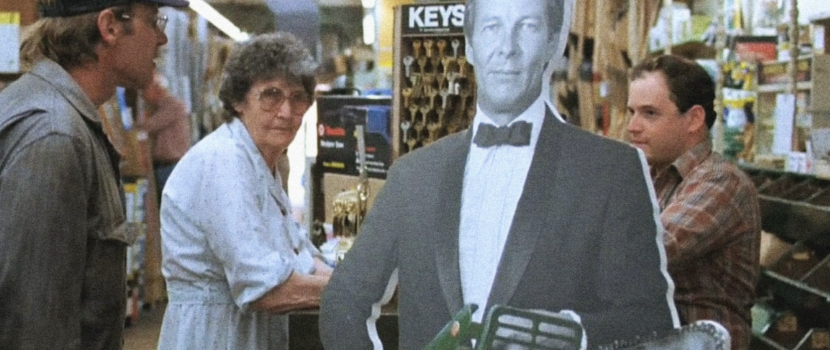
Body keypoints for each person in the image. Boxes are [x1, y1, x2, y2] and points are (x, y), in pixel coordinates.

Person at [319, 0, 679, 349]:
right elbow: (344, 301)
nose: (507, 48)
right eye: (492, 27)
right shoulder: (414, 176)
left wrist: (568, 333)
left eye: (528, 27)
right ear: (470, 44)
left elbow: (651, 318)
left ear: (552, 42)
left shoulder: (610, 171)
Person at [0, 0, 188, 348]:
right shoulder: (53, 135)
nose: (162, 39)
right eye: (154, 21)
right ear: (109, 27)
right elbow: (29, 330)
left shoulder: (47, 113)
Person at [157, 32, 332, 349]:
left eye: (298, 97)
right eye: (271, 95)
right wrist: (356, 290)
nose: (286, 111)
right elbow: (264, 288)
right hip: (215, 335)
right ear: (238, 100)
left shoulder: (261, 162)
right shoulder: (224, 163)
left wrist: (359, 278)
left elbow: (300, 257)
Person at [626, 54, 761, 350]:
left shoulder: (721, 182)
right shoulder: (651, 175)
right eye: (631, 111)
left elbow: (648, 251)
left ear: (694, 119)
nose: (632, 126)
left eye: (649, 113)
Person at [137, 74, 191, 202]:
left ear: (157, 89)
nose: (143, 96)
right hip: (162, 167)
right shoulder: (157, 108)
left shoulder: (173, 106)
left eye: (145, 91)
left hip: (172, 166)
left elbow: (148, 126)